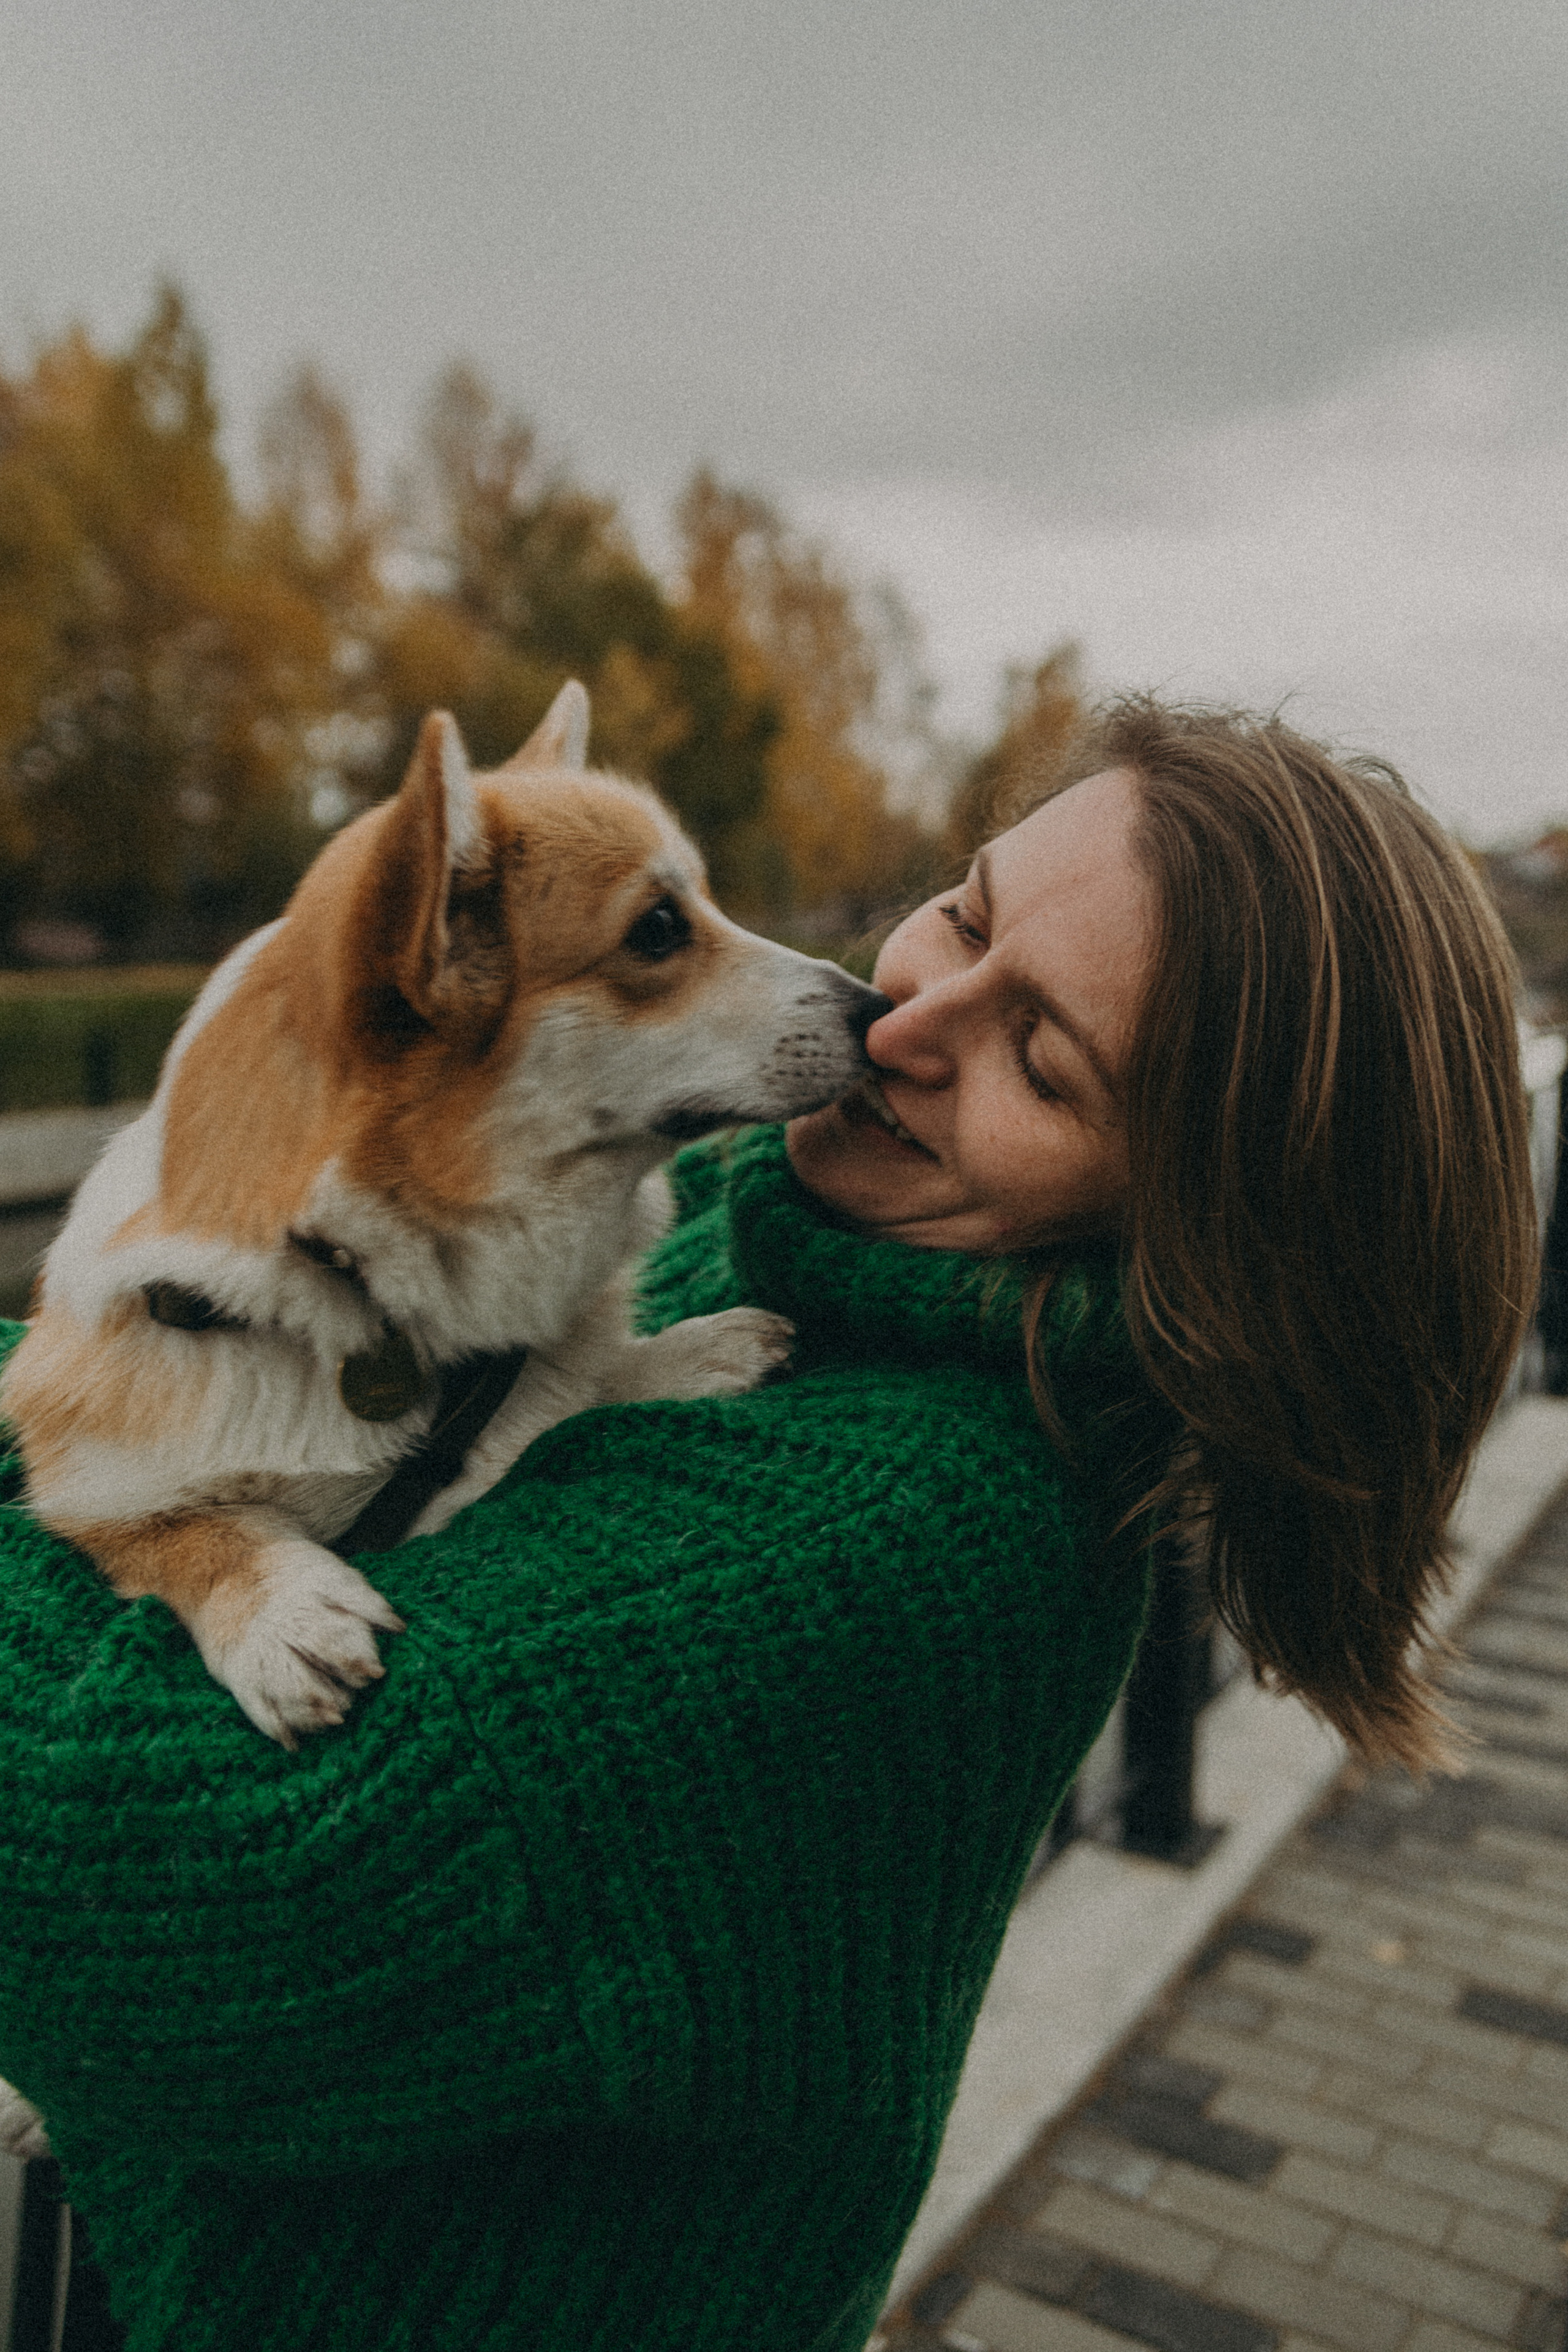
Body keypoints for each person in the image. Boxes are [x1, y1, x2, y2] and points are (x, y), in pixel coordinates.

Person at [0, 699, 1537, 2352]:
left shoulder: (892, 1528)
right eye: (966, 910)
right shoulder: (766, 1240)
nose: (898, 1019)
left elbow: (135, 1894)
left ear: (1211, 1229)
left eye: (1039, 1054)